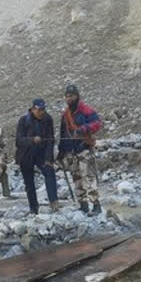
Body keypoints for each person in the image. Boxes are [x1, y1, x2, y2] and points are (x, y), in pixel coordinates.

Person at [57, 84, 102, 216]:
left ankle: (96, 205)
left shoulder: (86, 110)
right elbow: (63, 133)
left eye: (71, 96)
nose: (68, 99)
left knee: (88, 177)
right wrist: (61, 152)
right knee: (76, 178)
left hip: (84, 148)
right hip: (71, 151)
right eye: (67, 96)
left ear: (77, 96)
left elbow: (97, 123)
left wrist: (83, 129)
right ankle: (83, 205)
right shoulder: (65, 115)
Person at [15, 98, 59, 215]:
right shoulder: (24, 120)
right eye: (39, 109)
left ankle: (54, 202)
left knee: (49, 172)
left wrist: (49, 158)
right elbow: (18, 141)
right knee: (29, 183)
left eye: (43, 109)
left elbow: (51, 139)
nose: (42, 112)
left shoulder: (47, 119)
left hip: (41, 153)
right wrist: (32, 140)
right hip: (26, 155)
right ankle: (33, 208)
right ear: (33, 109)